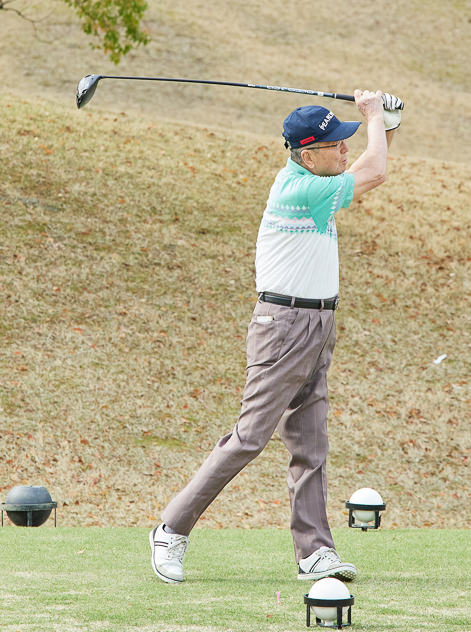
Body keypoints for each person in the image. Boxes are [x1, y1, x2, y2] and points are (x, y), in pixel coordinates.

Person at [150, 89, 403, 584]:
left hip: (318, 324)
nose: (345, 149)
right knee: (249, 438)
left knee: (311, 444)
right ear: (307, 156)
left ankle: (315, 552)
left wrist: (387, 123)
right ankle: (171, 529)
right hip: (283, 327)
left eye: (346, 140)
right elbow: (375, 171)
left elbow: (369, 164)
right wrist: (375, 115)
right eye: (335, 145)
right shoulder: (301, 190)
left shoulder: (318, 181)